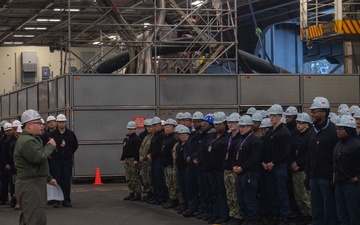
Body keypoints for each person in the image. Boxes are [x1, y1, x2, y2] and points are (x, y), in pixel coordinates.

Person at [14, 109, 57, 225]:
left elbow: (39, 164)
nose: (42, 126)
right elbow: (38, 157)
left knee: (30, 216)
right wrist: (50, 146)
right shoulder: (27, 141)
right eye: (38, 123)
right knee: (36, 217)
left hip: (34, 182)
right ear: (29, 125)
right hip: (31, 184)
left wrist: (48, 178)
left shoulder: (32, 139)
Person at [306, 96, 338, 225]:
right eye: (312, 112)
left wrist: (333, 178)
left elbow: (336, 158)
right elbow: (309, 154)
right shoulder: (312, 132)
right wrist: (308, 175)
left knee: (329, 211)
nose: (312, 114)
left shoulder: (333, 131)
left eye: (315, 111)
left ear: (324, 112)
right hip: (314, 177)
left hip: (327, 179)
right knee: (316, 210)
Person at [262, 104, 292, 225]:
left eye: (274, 116)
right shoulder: (270, 131)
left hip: (279, 166)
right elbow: (265, 148)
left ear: (280, 116)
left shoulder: (285, 133)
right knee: (271, 192)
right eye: (271, 115)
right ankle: (275, 213)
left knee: (281, 192)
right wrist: (264, 162)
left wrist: (273, 163)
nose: (271, 118)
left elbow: (285, 152)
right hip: (268, 166)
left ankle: (284, 215)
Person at [233, 115, 263, 225]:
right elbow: (235, 155)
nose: (241, 129)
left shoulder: (255, 141)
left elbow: (254, 158)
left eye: (244, 126)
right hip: (240, 173)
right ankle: (246, 216)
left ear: (250, 127)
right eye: (240, 126)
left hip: (250, 173)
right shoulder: (240, 140)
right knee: (240, 197)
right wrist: (235, 165)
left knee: (249, 198)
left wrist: (243, 167)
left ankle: (252, 218)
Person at [201, 112, 230, 224]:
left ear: (225, 124)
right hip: (210, 169)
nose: (218, 126)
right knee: (213, 192)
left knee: (221, 193)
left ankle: (223, 214)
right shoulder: (210, 136)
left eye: (220, 124)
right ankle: (215, 213)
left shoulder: (228, 138)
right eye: (216, 124)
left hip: (220, 170)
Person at [333, 115, 360, 225]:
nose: (337, 131)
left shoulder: (356, 145)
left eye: (340, 129)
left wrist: (357, 176)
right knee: (341, 213)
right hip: (339, 183)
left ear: (348, 129)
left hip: (350, 184)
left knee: (353, 213)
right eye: (337, 128)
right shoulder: (338, 144)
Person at [50, 114, 78, 208]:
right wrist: (53, 155)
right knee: (56, 180)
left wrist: (68, 152)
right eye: (60, 122)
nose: (61, 124)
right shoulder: (53, 134)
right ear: (57, 123)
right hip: (56, 160)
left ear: (65, 122)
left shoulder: (70, 134)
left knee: (66, 180)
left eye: (63, 122)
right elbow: (49, 145)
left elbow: (75, 145)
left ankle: (66, 199)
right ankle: (57, 200)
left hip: (67, 160)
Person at [290, 113, 312, 225]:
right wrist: (293, 162)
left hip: (303, 169)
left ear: (307, 125)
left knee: (305, 194)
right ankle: (302, 213)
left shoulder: (310, 136)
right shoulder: (297, 136)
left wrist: (299, 163)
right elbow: (292, 151)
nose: (298, 125)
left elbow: (309, 154)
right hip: (295, 169)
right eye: (297, 123)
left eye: (301, 123)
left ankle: (309, 214)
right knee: (297, 194)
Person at [223, 113, 242, 225]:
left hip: (235, 168)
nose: (230, 125)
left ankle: (238, 215)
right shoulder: (228, 137)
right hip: (227, 168)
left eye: (233, 123)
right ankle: (232, 214)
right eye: (229, 123)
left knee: (236, 194)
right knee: (229, 193)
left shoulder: (240, 137)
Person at [147, 117, 167, 205]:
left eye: (156, 125)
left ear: (160, 125)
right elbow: (151, 147)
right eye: (153, 125)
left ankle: (161, 197)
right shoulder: (155, 135)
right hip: (154, 159)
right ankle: (156, 196)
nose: (154, 127)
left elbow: (159, 149)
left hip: (158, 159)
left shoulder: (162, 135)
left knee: (159, 179)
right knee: (154, 179)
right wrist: (149, 153)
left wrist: (152, 154)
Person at [121, 121, 142, 201]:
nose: (130, 130)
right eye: (129, 129)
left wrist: (136, 159)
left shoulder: (137, 139)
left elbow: (138, 150)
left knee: (135, 177)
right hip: (127, 160)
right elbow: (124, 150)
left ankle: (138, 193)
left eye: (131, 129)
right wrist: (122, 158)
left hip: (133, 159)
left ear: (135, 129)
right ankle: (131, 192)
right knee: (128, 177)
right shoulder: (126, 139)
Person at [161, 118, 179, 208]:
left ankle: (174, 199)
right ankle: (171, 198)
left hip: (171, 165)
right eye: (166, 127)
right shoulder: (166, 138)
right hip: (165, 164)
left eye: (170, 127)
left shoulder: (174, 139)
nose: (167, 128)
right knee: (168, 183)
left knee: (173, 183)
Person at [139, 119, 154, 202]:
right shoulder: (146, 137)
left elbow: (150, 149)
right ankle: (148, 193)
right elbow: (142, 147)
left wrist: (144, 157)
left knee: (150, 178)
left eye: (150, 126)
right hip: (144, 162)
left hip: (148, 161)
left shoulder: (153, 137)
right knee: (145, 178)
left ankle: (152, 193)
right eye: (147, 127)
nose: (148, 128)